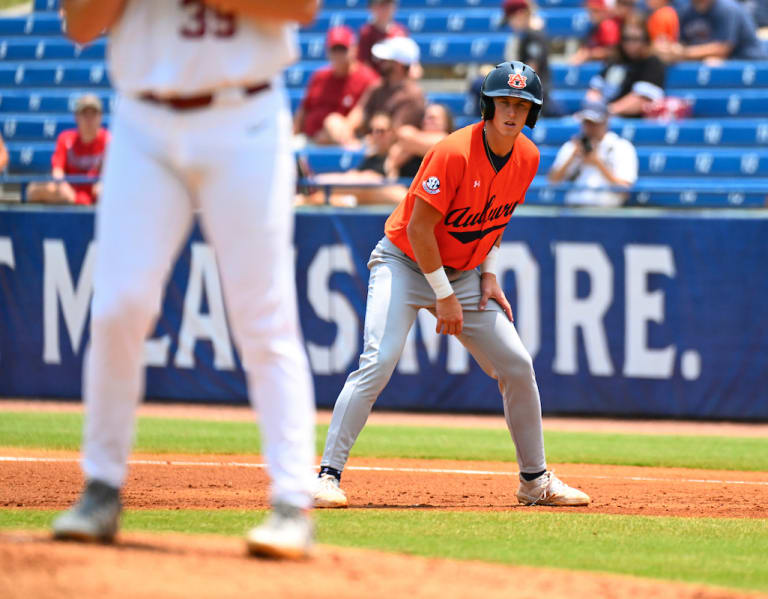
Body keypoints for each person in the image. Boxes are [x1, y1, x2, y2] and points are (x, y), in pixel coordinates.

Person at [51, 0, 318, 561]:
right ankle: (101, 489)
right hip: (142, 124)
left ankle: (292, 502)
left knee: (263, 313)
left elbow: (301, 6)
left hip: (244, 117)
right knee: (118, 305)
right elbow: (79, 25)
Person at [312, 61, 591, 510]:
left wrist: (489, 273)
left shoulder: (528, 156)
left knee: (517, 364)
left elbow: (497, 220)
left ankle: (534, 481)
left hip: (463, 274)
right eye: (504, 101)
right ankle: (327, 476)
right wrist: (443, 296)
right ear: (488, 104)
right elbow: (420, 230)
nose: (512, 111)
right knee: (377, 361)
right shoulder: (453, 151)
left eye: (522, 104)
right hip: (404, 262)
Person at [324, 36, 425, 148]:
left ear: (398, 65)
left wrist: (366, 142)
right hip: (366, 143)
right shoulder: (377, 87)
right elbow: (359, 112)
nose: (381, 63)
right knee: (333, 121)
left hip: (390, 152)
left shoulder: (413, 96)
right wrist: (346, 133)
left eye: (386, 60)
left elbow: (394, 134)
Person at [293, 26, 379, 144]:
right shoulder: (319, 76)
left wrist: (326, 137)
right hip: (311, 140)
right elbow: (304, 110)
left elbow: (361, 112)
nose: (338, 55)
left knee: (333, 121)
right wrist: (294, 134)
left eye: (342, 49)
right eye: (334, 50)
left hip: (347, 140)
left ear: (354, 49)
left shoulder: (367, 78)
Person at [301, 112, 409, 206]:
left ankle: (313, 183)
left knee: (368, 180)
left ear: (392, 133)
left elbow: (393, 180)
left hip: (394, 197)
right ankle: (311, 188)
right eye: (373, 131)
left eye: (381, 131)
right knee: (320, 199)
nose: (376, 135)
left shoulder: (398, 154)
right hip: (361, 198)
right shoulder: (370, 157)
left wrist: (392, 164)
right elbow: (354, 175)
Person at [548, 99, 638, 207]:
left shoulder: (621, 146)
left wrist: (597, 163)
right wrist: (572, 157)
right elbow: (553, 181)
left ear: (605, 121)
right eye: (586, 122)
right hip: (574, 209)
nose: (589, 127)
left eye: (594, 123)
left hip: (608, 211)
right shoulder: (573, 146)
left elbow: (624, 189)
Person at [26, 94, 109, 205]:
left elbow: (113, 173)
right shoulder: (66, 138)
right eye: (85, 114)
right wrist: (66, 190)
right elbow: (57, 170)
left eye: (93, 114)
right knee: (33, 190)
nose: (89, 119)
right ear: (76, 117)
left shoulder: (109, 141)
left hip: (98, 195)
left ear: (100, 116)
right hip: (69, 193)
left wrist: (104, 184)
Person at [588, 16, 666, 117]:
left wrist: (606, 111)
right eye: (626, 38)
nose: (630, 44)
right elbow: (595, 90)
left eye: (636, 39)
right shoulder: (616, 60)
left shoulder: (652, 63)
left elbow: (641, 100)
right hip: (605, 117)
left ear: (646, 39)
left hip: (635, 123)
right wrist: (593, 109)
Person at [501, 0, 562, 117]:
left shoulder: (533, 35)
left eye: (511, 19)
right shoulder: (528, 34)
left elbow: (530, 71)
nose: (510, 25)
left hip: (532, 97)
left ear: (520, 14)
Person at [656, 0, 766, 62]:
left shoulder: (727, 8)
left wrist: (684, 52)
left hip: (746, 60)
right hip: (706, 61)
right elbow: (682, 42)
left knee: (713, 62)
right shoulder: (686, 11)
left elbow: (723, 49)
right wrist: (670, 49)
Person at [386, 102, 454, 179]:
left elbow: (405, 134)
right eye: (426, 117)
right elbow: (393, 159)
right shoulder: (412, 141)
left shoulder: (447, 140)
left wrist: (410, 146)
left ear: (446, 123)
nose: (427, 120)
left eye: (432, 118)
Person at [357, 0, 408, 74]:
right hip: (374, 79)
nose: (385, 9)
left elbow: (409, 62)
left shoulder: (400, 32)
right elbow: (363, 63)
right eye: (381, 5)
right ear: (372, 8)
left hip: (397, 79)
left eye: (388, 5)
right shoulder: (366, 32)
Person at [569, 0, 621, 65]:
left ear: (606, 11)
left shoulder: (608, 25)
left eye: (596, 11)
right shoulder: (595, 25)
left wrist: (588, 55)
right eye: (590, 10)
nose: (591, 14)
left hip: (607, 67)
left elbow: (611, 52)